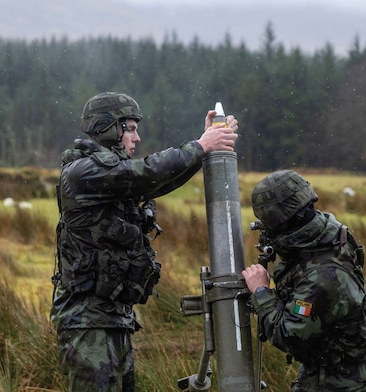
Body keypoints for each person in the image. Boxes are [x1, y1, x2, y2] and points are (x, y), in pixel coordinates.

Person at [50, 92, 238, 391]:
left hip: (112, 319)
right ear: (110, 128)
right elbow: (149, 173)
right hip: (87, 325)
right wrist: (201, 145)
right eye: (131, 128)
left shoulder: (111, 175)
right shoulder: (84, 172)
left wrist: (204, 147)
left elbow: (160, 181)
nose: (137, 138)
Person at [242, 170, 366, 392]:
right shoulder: (321, 237)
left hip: (347, 383)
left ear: (281, 223)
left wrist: (261, 292)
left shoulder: (323, 276)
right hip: (333, 372)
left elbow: (289, 335)